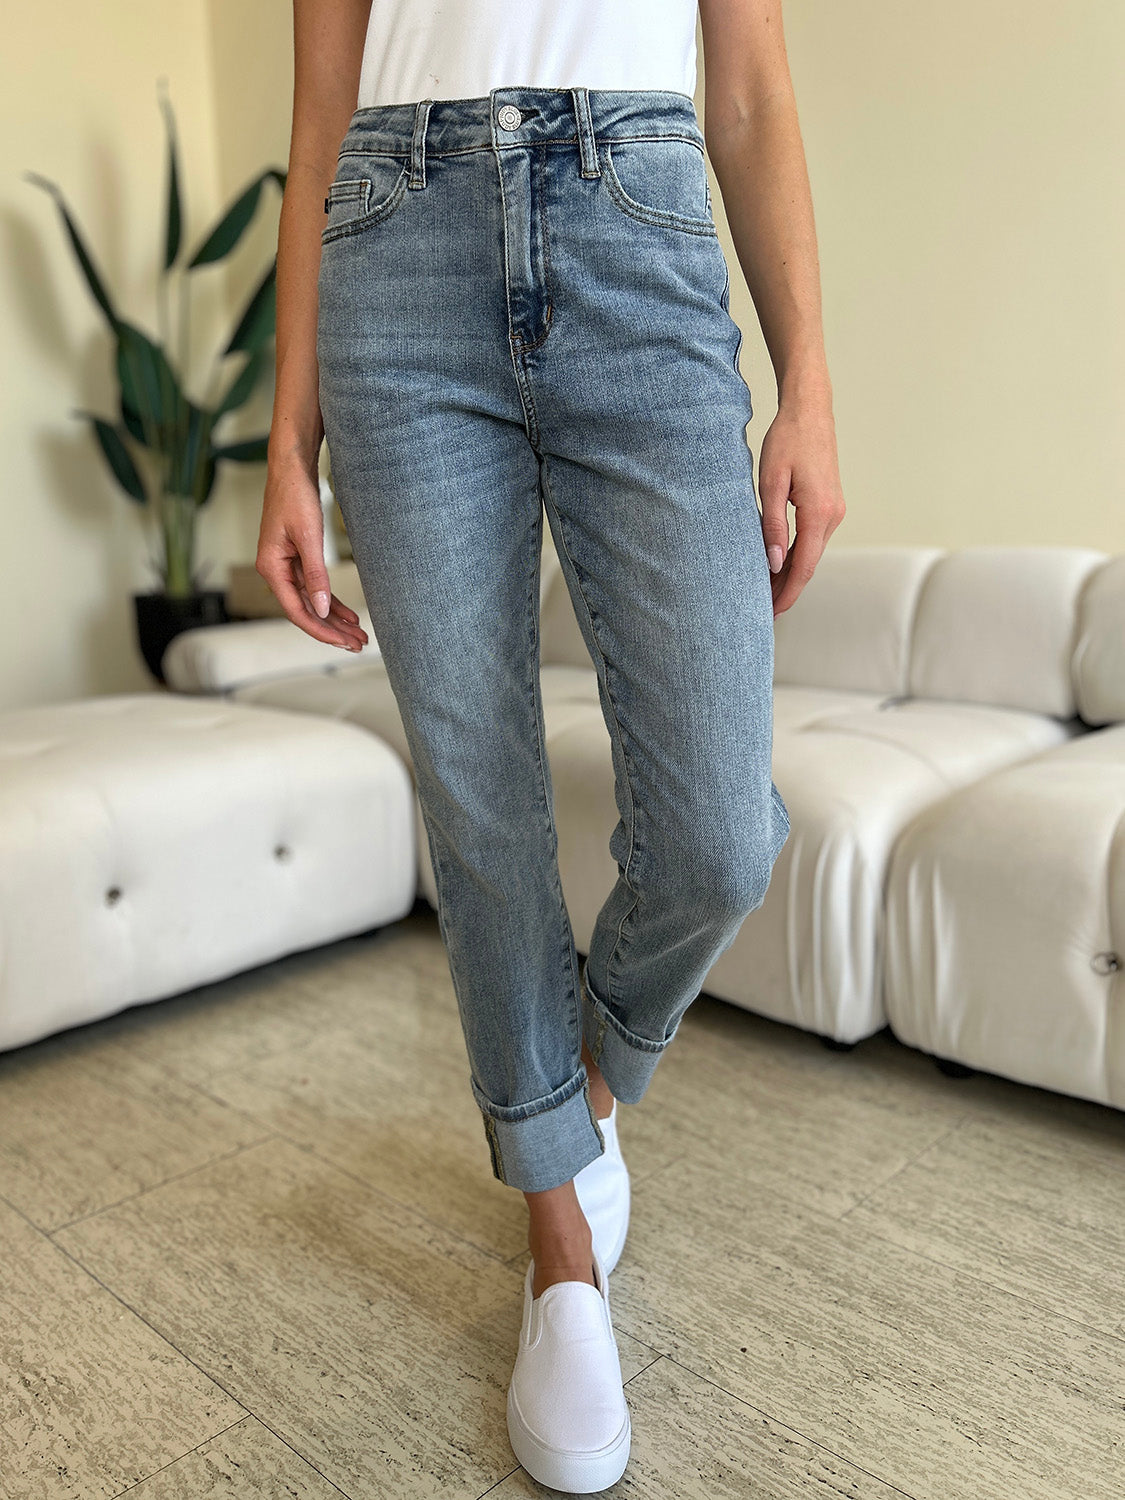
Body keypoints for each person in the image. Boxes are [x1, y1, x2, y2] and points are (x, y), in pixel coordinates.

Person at [259, 0, 845, 1489]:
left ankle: (569, 1105)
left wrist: (809, 388)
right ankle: (559, 1249)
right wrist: (285, 435)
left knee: (721, 829)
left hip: (634, 222)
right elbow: (321, 107)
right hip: (393, 248)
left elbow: (753, 90)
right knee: (481, 804)